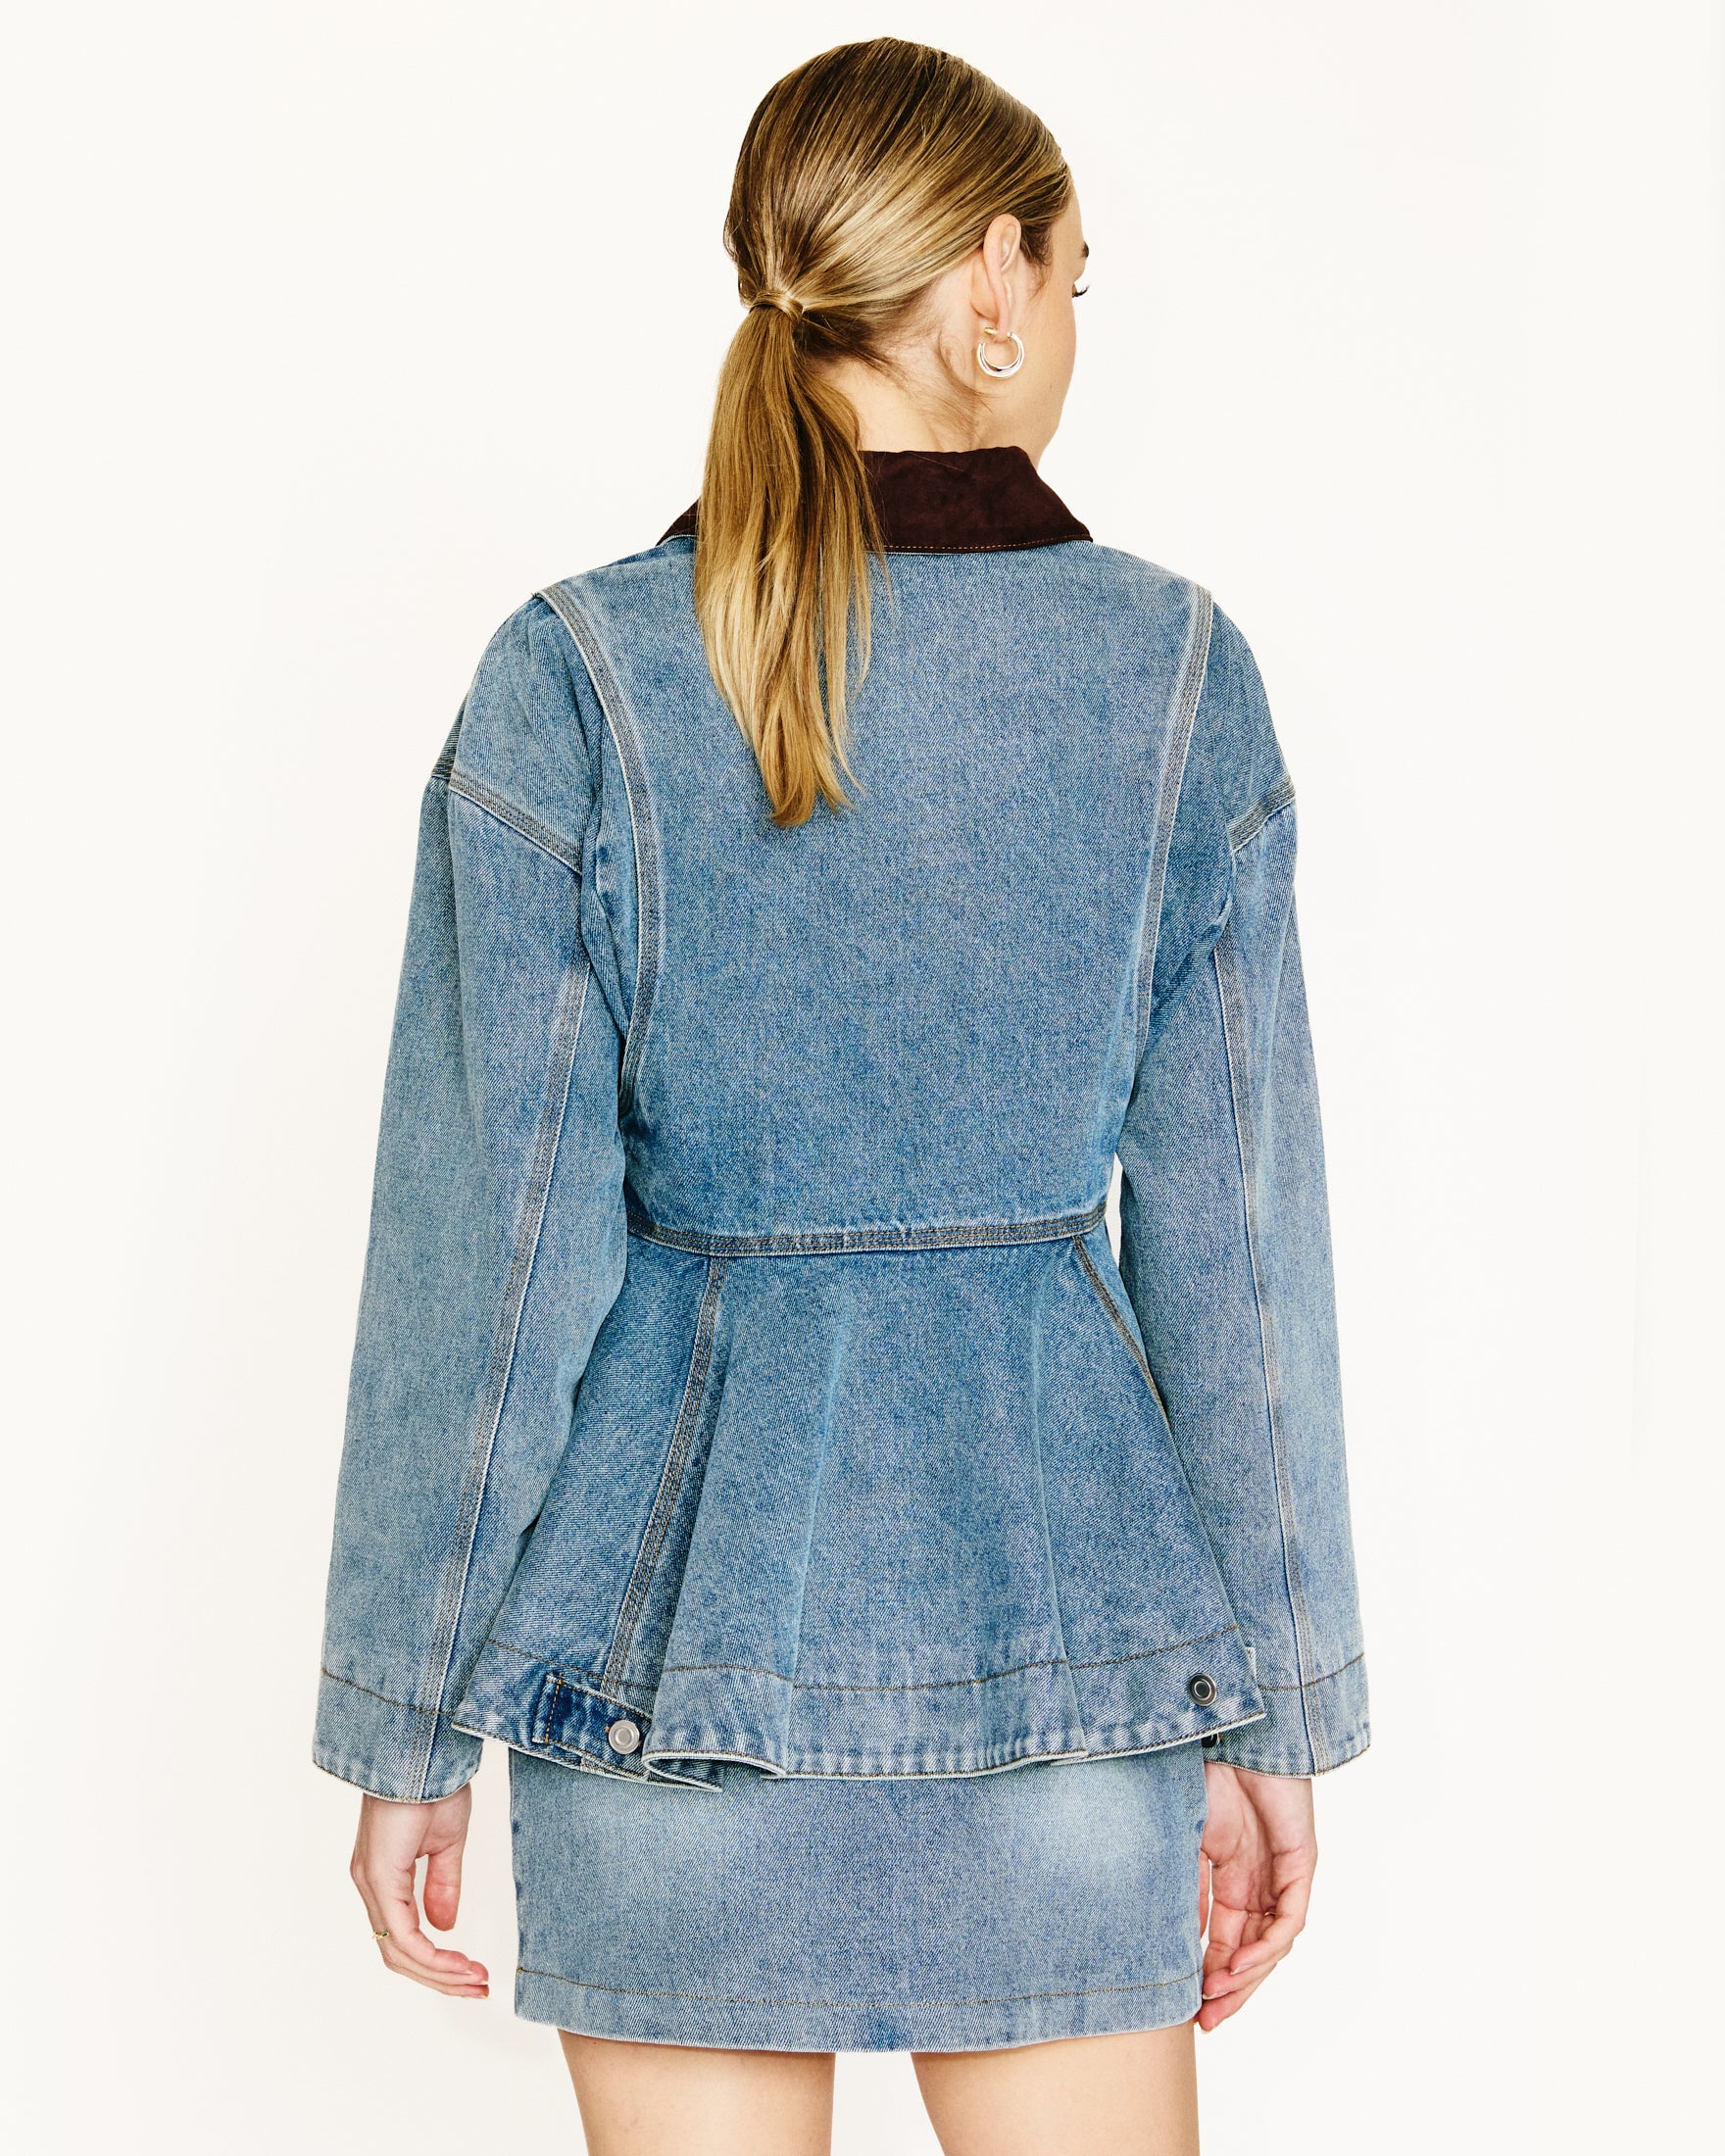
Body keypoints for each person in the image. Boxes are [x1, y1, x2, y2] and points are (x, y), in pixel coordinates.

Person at [314, 35, 1369, 2156]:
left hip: (666, 1685)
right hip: (1066, 1675)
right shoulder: (1172, 675)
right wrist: (1277, 1700)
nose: (1070, 324)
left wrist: (402, 1717)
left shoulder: (575, 674)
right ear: (990, 285)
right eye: (1075, 278)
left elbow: (490, 1271)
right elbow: (1237, 1263)